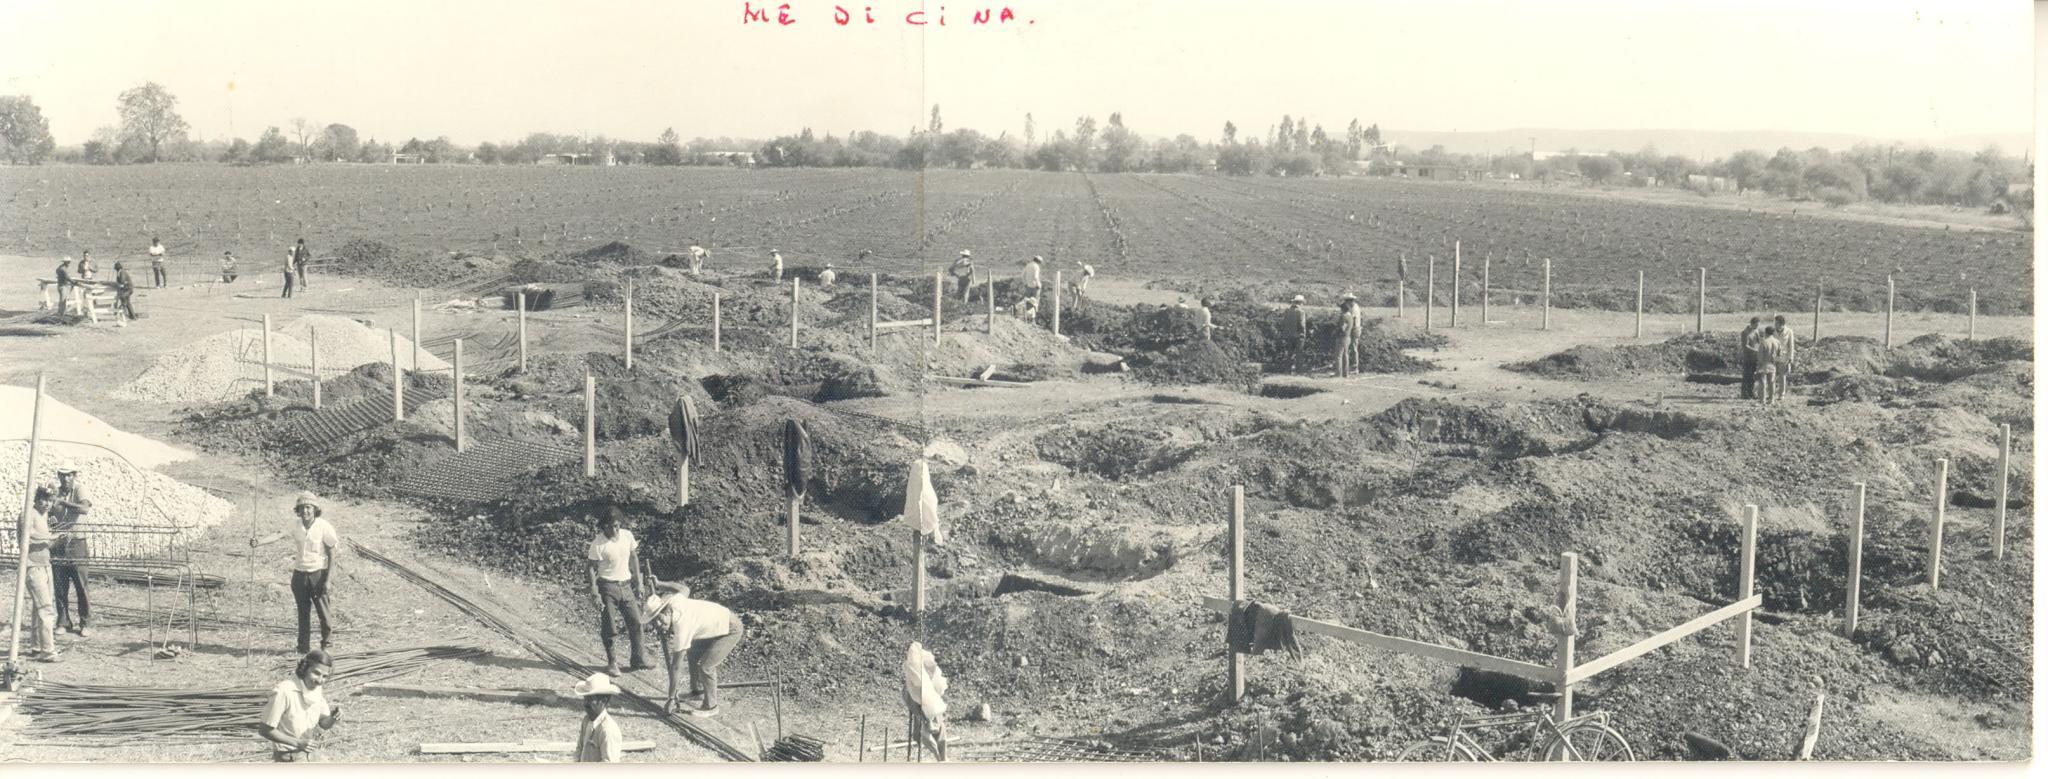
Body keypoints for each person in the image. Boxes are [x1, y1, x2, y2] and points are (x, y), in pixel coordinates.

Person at [645, 580, 745, 718]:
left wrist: (671, 698)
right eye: (654, 621)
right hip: (716, 626)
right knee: (693, 653)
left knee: (705, 666)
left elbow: (676, 667)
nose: (658, 624)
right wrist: (659, 583)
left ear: (667, 611)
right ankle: (697, 691)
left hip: (730, 629)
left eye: (659, 619)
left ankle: (711, 706)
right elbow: (684, 588)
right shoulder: (675, 601)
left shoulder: (682, 624)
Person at [586, 506, 649, 676]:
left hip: (626, 585)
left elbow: (634, 557)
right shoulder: (598, 544)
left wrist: (639, 582)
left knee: (636, 622)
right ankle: (612, 662)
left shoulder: (627, 536)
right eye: (610, 526)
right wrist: (594, 591)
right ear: (604, 526)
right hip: (607, 587)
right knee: (610, 626)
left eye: (617, 526)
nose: (614, 530)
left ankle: (638, 659)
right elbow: (591, 568)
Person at [259, 650, 342, 762]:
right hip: (288, 758)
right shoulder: (284, 691)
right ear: (304, 668)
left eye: (325, 676)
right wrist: (297, 743)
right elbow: (264, 730)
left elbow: (324, 724)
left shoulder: (316, 690)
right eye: (316, 673)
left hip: (309, 756)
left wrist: (333, 718)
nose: (320, 680)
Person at [289, 492, 339, 654]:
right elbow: (277, 534)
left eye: (308, 507)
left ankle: (327, 644)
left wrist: (328, 580)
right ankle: (303, 647)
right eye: (302, 508)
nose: (305, 511)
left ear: (315, 509)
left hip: (318, 574)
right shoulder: (295, 525)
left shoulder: (324, 526)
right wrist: (258, 542)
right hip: (299, 575)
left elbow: (332, 553)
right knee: (303, 613)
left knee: (323, 612)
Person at [49, 468, 91, 637]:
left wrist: (64, 503)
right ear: (59, 476)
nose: (65, 478)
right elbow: (48, 510)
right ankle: (63, 621)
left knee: (81, 584)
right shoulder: (56, 491)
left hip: (76, 542)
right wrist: (50, 518)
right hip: (58, 542)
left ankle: (85, 622)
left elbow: (84, 509)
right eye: (62, 475)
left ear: (74, 475)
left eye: (69, 475)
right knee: (60, 584)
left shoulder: (80, 489)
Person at [21, 488, 60, 662]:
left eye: (50, 501)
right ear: (36, 499)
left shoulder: (43, 516)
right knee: (46, 609)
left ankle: (36, 646)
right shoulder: (27, 514)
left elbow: (45, 545)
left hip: (45, 565)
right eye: (44, 500)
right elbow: (27, 537)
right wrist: (50, 536)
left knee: (40, 608)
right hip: (32, 566)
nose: (47, 504)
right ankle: (48, 651)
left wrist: (57, 539)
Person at [573, 672, 625, 762]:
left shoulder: (608, 730)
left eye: (590, 699)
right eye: (585, 698)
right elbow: (579, 750)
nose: (585, 704)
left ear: (603, 701)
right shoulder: (586, 721)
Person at [1282, 295, 1309, 373]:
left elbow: (1284, 322)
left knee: (1289, 353)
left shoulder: (1287, 310)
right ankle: (1299, 371)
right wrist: (1303, 333)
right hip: (1298, 335)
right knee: (1299, 354)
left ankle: (1288, 370)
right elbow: (1302, 324)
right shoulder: (1301, 312)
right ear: (1300, 303)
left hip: (1289, 334)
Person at [1336, 294, 1361, 377]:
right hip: (1353, 329)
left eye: (1347, 300)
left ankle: (1354, 367)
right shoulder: (1353, 308)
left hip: (1353, 329)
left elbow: (1345, 325)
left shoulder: (1353, 309)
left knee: (1351, 349)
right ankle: (1347, 370)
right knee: (1347, 351)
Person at [1756, 327, 1782, 405]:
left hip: (1764, 364)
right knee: (1772, 382)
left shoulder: (1763, 342)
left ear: (1765, 332)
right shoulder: (1777, 342)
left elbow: (1760, 356)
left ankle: (1762, 400)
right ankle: (1771, 399)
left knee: (1762, 382)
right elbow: (1779, 355)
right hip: (1773, 364)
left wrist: (1758, 366)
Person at [1737, 317, 1762, 400]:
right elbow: (1745, 346)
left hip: (1755, 357)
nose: (1757, 327)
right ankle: (1744, 394)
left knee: (1752, 376)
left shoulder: (1756, 331)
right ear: (1752, 324)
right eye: (1756, 325)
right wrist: (1755, 350)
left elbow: (1759, 342)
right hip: (1748, 357)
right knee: (1746, 376)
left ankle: (1751, 393)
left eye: (1758, 325)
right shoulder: (1745, 333)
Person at [1773, 314, 1796, 398]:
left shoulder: (1789, 331)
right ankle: (1772, 393)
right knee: (1772, 375)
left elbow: (1791, 346)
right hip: (1774, 357)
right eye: (1775, 323)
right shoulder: (1772, 331)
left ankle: (1781, 394)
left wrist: (1790, 359)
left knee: (1782, 376)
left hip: (1784, 357)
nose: (1775, 325)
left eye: (1777, 323)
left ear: (1781, 324)